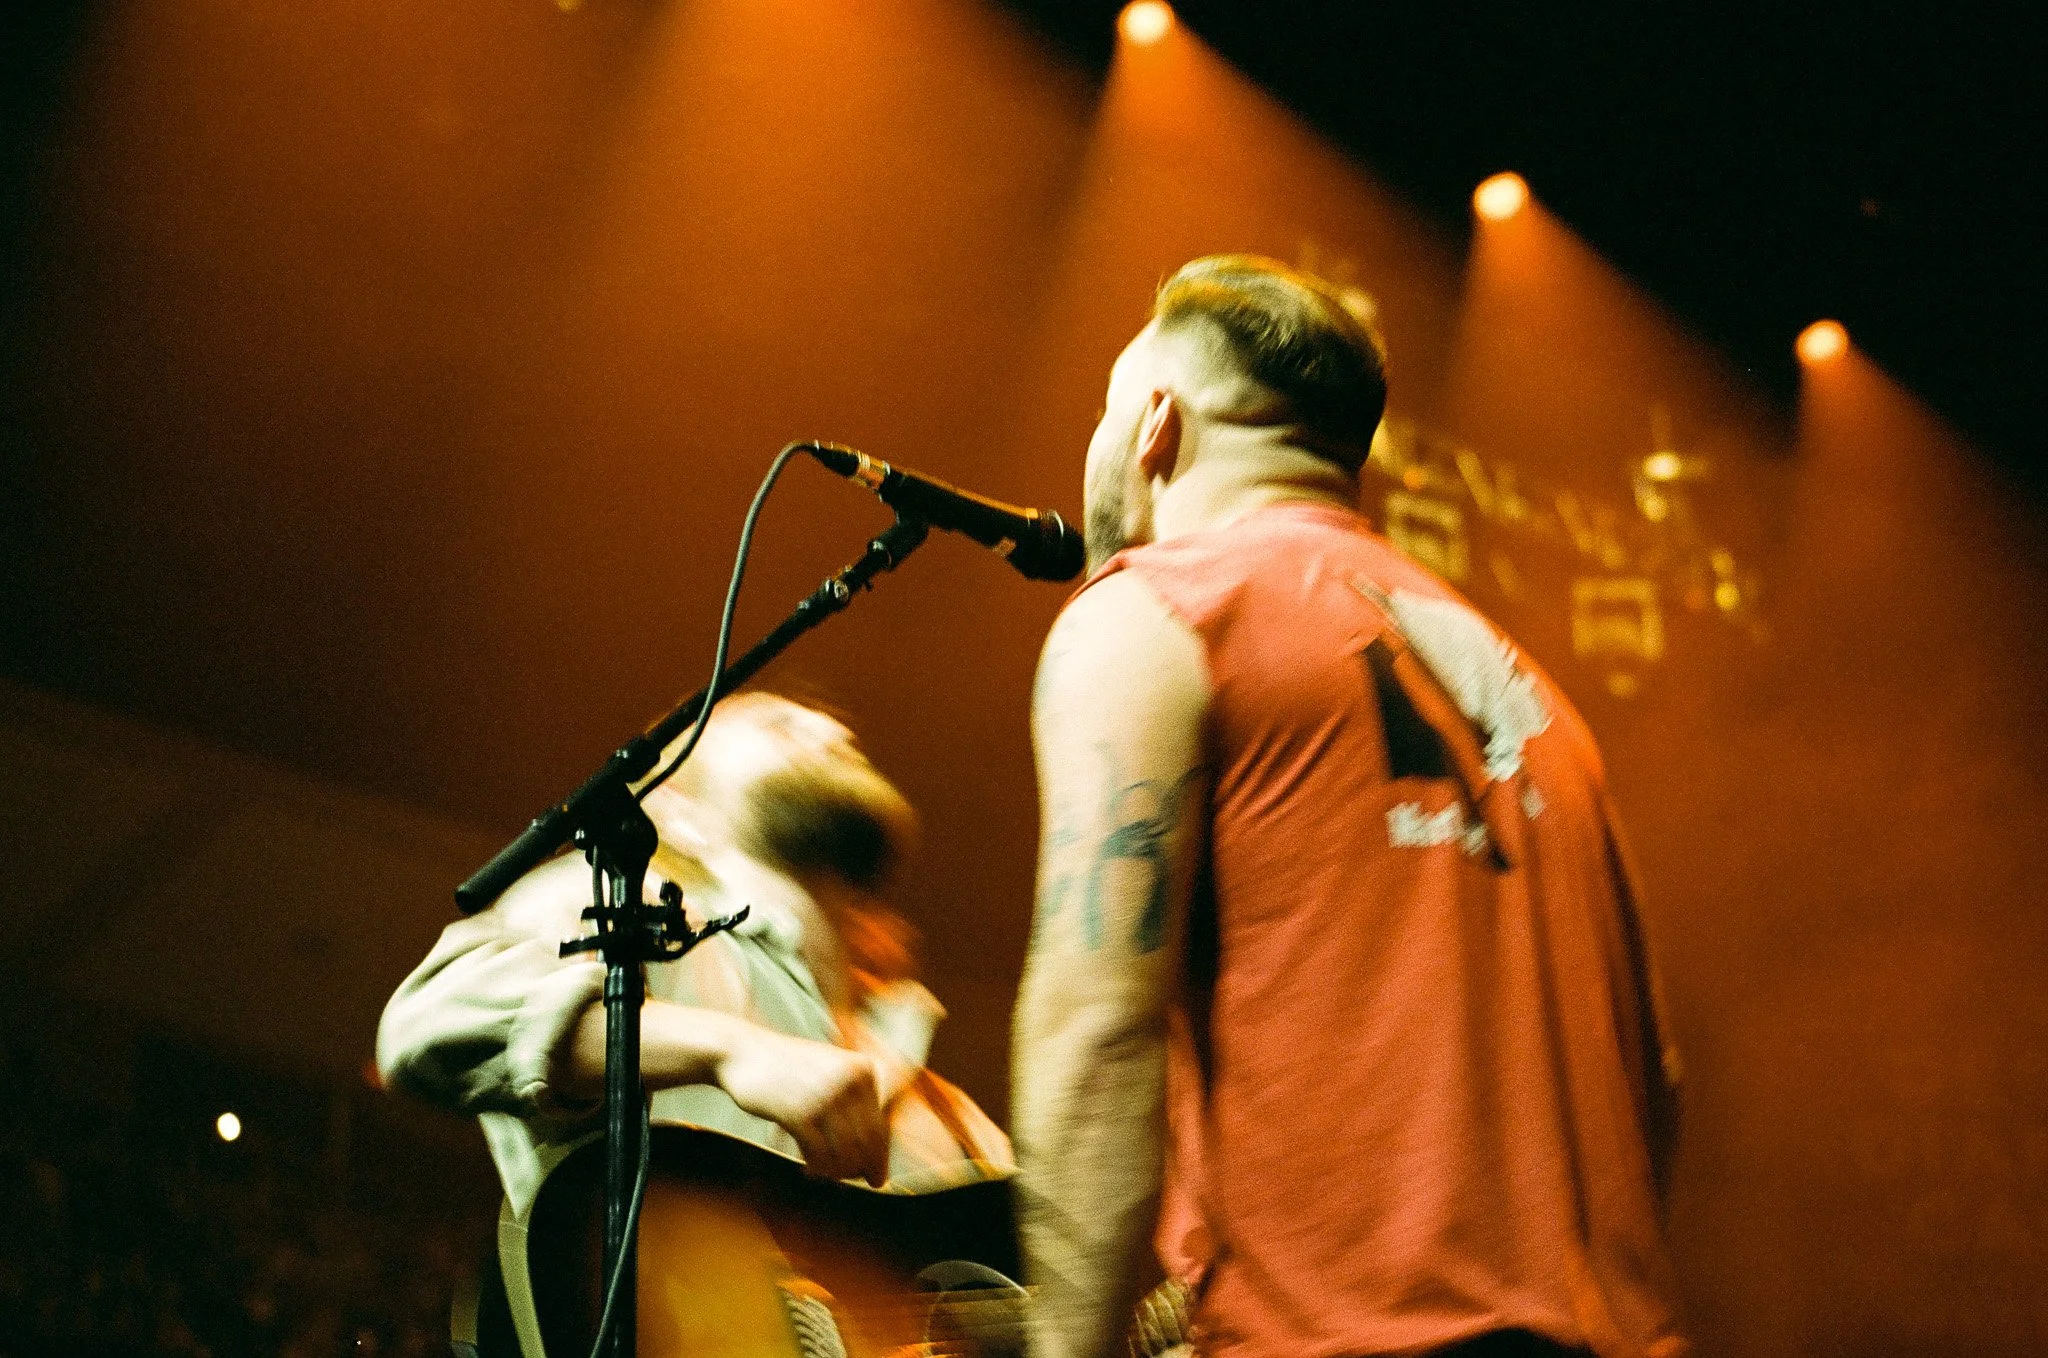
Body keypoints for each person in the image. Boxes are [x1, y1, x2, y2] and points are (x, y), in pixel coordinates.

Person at [1012, 256, 1686, 1358]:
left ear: (1153, 425)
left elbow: (1095, 1027)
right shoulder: (1537, 703)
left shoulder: (1156, 615)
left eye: (1103, 411)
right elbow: (1652, 1084)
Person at [377, 692, 1013, 1292]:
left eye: (838, 730)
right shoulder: (632, 918)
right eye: (777, 724)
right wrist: (732, 1049)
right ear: (680, 808)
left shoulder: (958, 1125)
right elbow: (430, 1020)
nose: (830, 728)